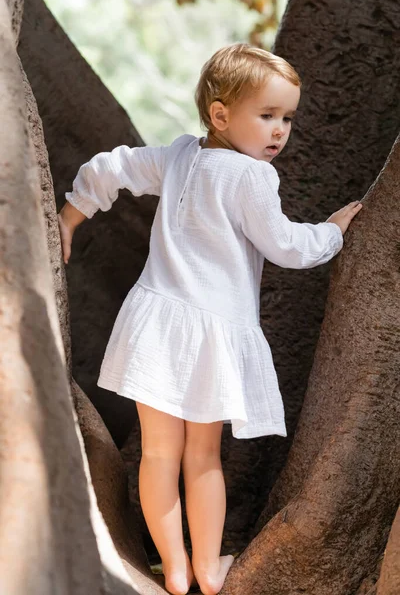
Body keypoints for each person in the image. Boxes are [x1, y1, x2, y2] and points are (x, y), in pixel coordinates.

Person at [58, 43, 363, 595]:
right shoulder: (251, 179)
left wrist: (71, 216)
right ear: (220, 114)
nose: (279, 132)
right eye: (267, 115)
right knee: (202, 458)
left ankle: (172, 570)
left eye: (287, 118)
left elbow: (114, 167)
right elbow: (287, 246)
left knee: (156, 454)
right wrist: (334, 231)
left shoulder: (178, 156)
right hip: (211, 335)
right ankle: (205, 569)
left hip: (155, 326)